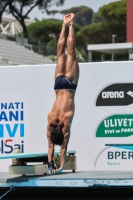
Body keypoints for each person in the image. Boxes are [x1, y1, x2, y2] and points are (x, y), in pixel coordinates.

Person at [47, 13, 79, 174]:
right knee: (60, 53)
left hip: (69, 86)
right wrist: (50, 165)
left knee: (71, 53)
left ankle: (71, 25)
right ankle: (64, 25)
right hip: (58, 86)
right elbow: (51, 145)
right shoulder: (50, 121)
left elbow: (63, 147)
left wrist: (60, 166)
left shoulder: (65, 122)